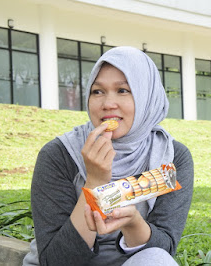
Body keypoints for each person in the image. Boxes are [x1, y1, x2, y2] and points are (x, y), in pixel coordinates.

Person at [23, 46, 194, 266]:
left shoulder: (170, 158)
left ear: (146, 96)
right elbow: (57, 261)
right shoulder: (59, 155)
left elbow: (163, 251)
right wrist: (94, 183)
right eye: (98, 91)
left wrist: (133, 222)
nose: (107, 104)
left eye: (122, 90)